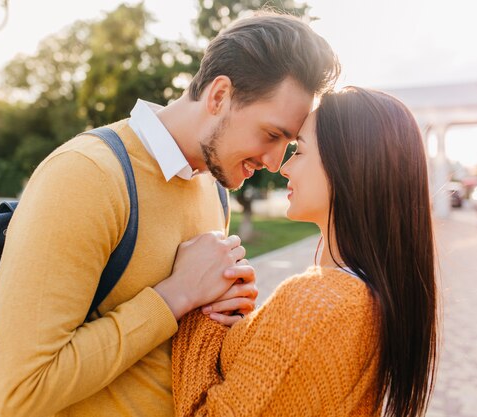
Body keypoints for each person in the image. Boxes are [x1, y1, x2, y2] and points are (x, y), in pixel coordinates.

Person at [0, 12, 339, 417]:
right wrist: (175, 295)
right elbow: (20, 391)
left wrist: (227, 316)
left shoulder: (212, 188)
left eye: (289, 144)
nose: (275, 162)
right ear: (219, 96)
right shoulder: (87, 175)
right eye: (271, 135)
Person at [172, 87, 439, 417]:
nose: (283, 168)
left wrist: (199, 308)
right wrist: (242, 321)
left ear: (347, 165)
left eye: (299, 151)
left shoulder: (318, 306)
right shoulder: (361, 296)